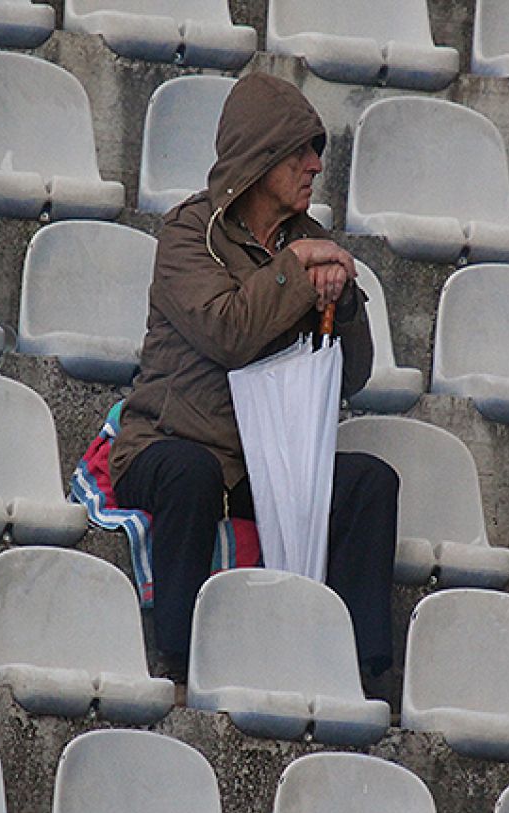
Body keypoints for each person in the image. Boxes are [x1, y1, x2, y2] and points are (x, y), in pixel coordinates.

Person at [111, 72, 398, 678]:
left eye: (316, 150)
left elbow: (352, 378)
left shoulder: (311, 240)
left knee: (370, 484)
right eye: (301, 150)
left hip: (261, 462)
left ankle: (357, 670)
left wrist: (344, 303)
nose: (316, 165)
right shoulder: (189, 234)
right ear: (259, 156)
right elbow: (226, 333)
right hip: (167, 445)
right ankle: (180, 662)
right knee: (190, 475)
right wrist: (295, 271)